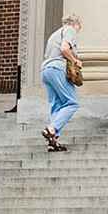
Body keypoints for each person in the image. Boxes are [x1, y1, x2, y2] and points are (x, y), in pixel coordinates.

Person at [41, 14, 82, 152]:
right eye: (79, 27)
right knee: (72, 102)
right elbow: (64, 48)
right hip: (58, 68)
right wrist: (75, 60)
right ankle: (52, 129)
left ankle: (52, 140)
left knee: (57, 104)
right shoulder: (69, 30)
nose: (78, 30)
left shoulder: (54, 34)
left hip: (46, 70)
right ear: (75, 23)